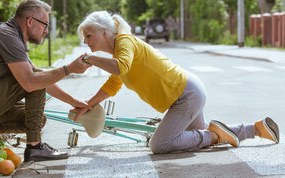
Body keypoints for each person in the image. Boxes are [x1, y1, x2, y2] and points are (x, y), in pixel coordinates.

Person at [73, 10, 280, 154]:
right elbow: (113, 83)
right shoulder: (120, 50)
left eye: (89, 35)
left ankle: (216, 136)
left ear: (105, 32)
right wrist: (88, 104)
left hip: (185, 95)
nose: (86, 41)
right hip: (187, 92)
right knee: (200, 133)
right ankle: (256, 129)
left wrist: (89, 59)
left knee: (160, 144)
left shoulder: (125, 41)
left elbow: (121, 67)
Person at [0, 0, 91, 161]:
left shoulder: (10, 36)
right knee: (35, 81)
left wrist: (73, 101)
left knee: (37, 120)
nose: (46, 30)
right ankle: (34, 147)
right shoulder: (7, 36)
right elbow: (32, 81)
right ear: (30, 21)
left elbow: (37, 76)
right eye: (45, 25)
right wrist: (69, 69)